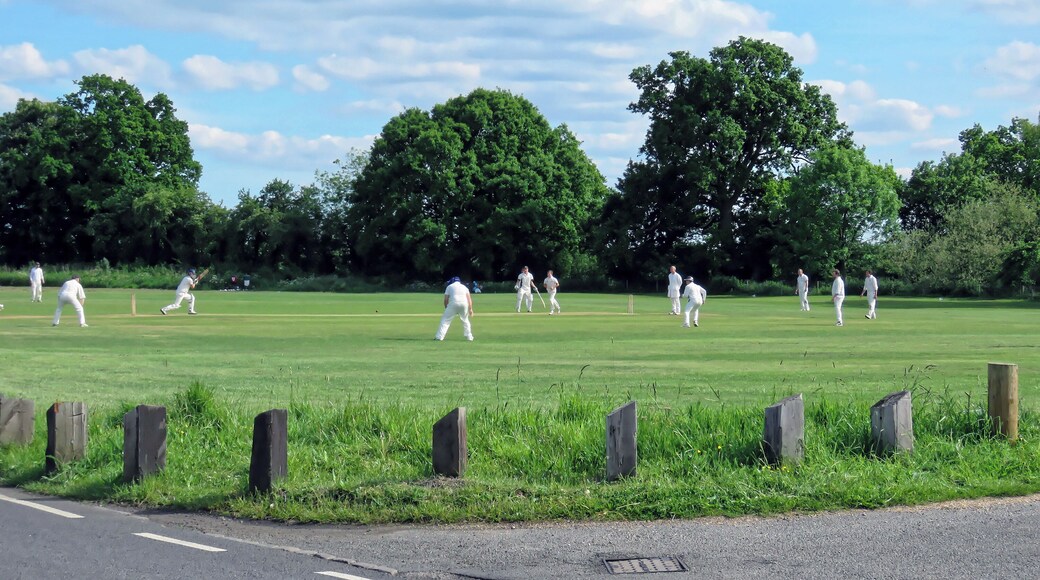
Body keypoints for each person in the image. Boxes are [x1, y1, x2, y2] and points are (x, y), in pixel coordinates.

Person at [435, 276, 474, 341]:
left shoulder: (449, 287)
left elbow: (446, 300)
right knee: (465, 320)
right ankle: (469, 337)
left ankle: (439, 337)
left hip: (453, 303)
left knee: (445, 320)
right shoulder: (464, 287)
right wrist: (470, 309)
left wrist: (446, 308)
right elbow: (469, 299)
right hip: (464, 304)